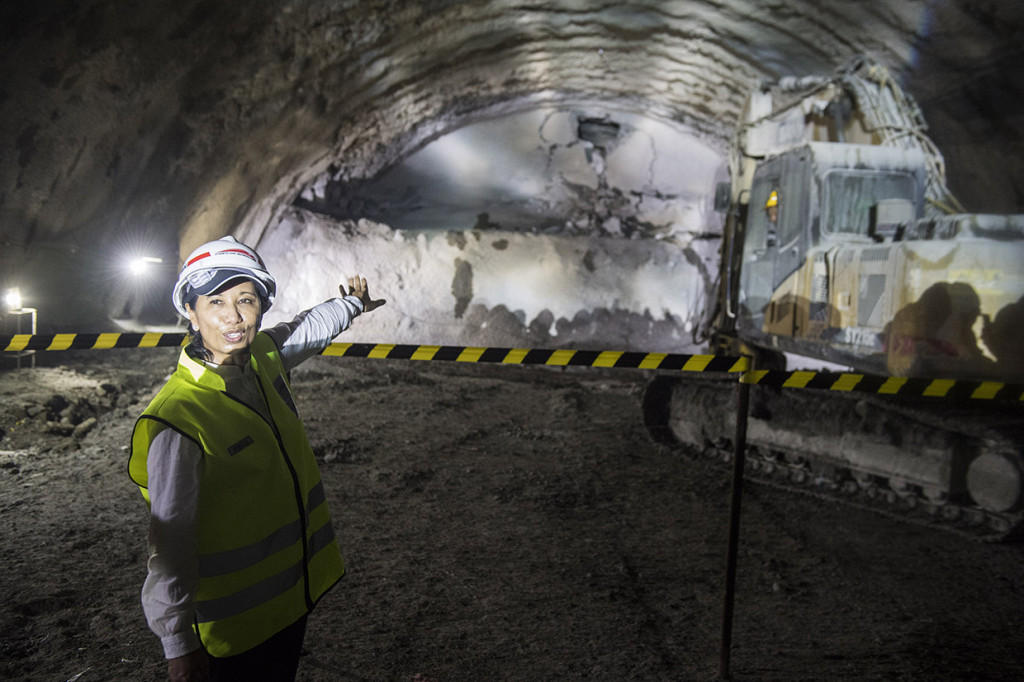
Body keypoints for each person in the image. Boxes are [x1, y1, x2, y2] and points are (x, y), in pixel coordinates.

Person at [128, 235, 385, 681]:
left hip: (289, 604)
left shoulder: (263, 359)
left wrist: (352, 306)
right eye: (215, 302)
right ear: (191, 312)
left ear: (262, 306)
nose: (233, 317)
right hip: (230, 635)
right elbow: (169, 544)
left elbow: (307, 328)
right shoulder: (178, 419)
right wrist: (178, 646)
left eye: (246, 300)